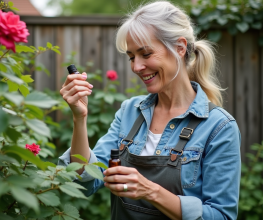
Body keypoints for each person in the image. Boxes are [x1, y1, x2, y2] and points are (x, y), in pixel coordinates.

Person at [58, 1, 241, 219]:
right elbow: (86, 181)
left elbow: (221, 215)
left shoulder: (218, 127)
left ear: (180, 48)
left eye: (145, 54)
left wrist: (151, 191)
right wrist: (80, 119)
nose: (136, 67)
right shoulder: (129, 112)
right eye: (132, 57)